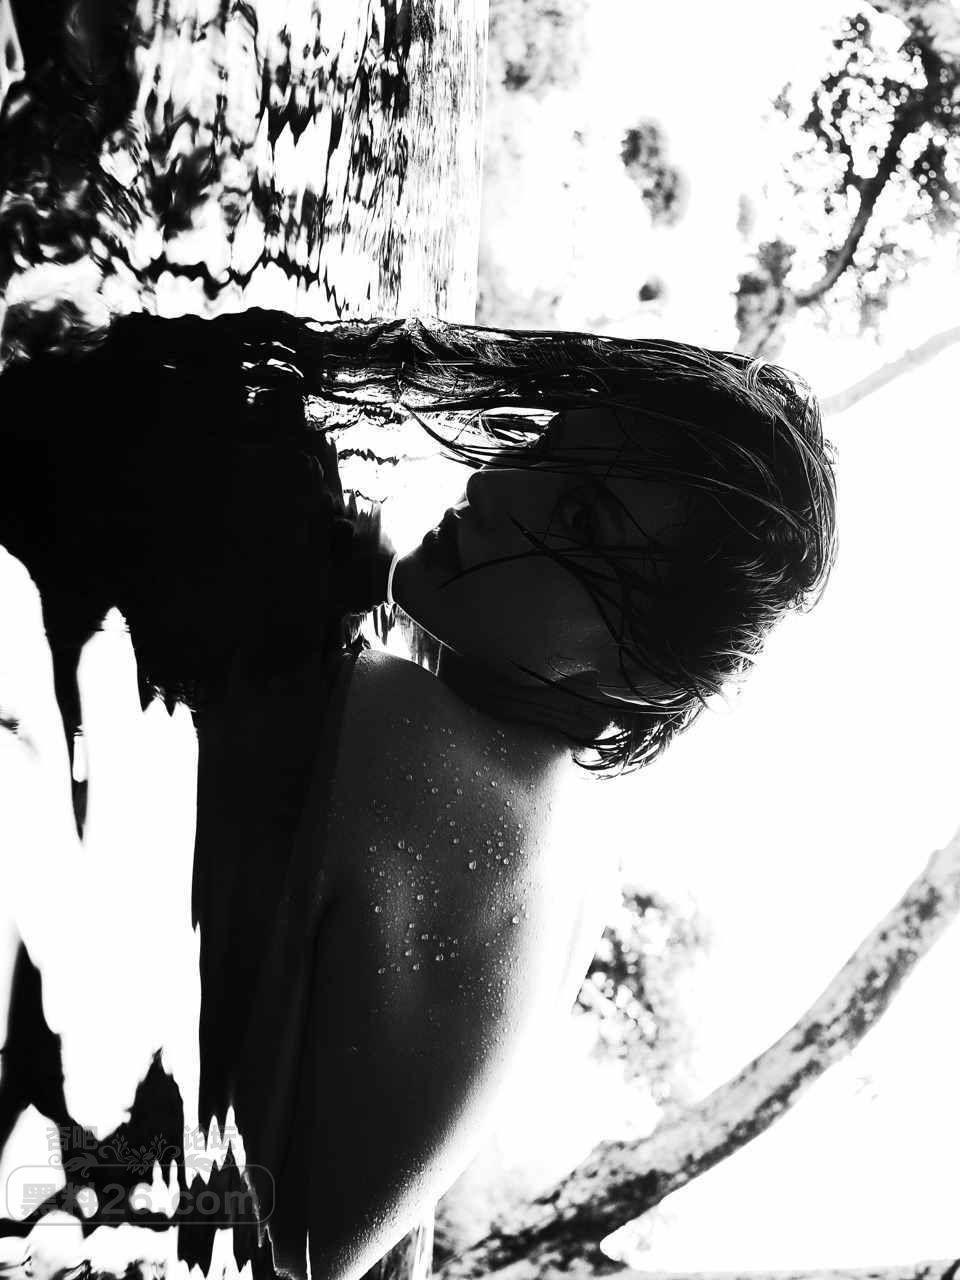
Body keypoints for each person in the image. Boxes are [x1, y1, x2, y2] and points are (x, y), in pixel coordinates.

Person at [0, 308, 836, 1280]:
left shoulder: (410, 740)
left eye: (580, 519)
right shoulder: (563, 836)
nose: (497, 482)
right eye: (544, 449)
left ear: (644, 676)